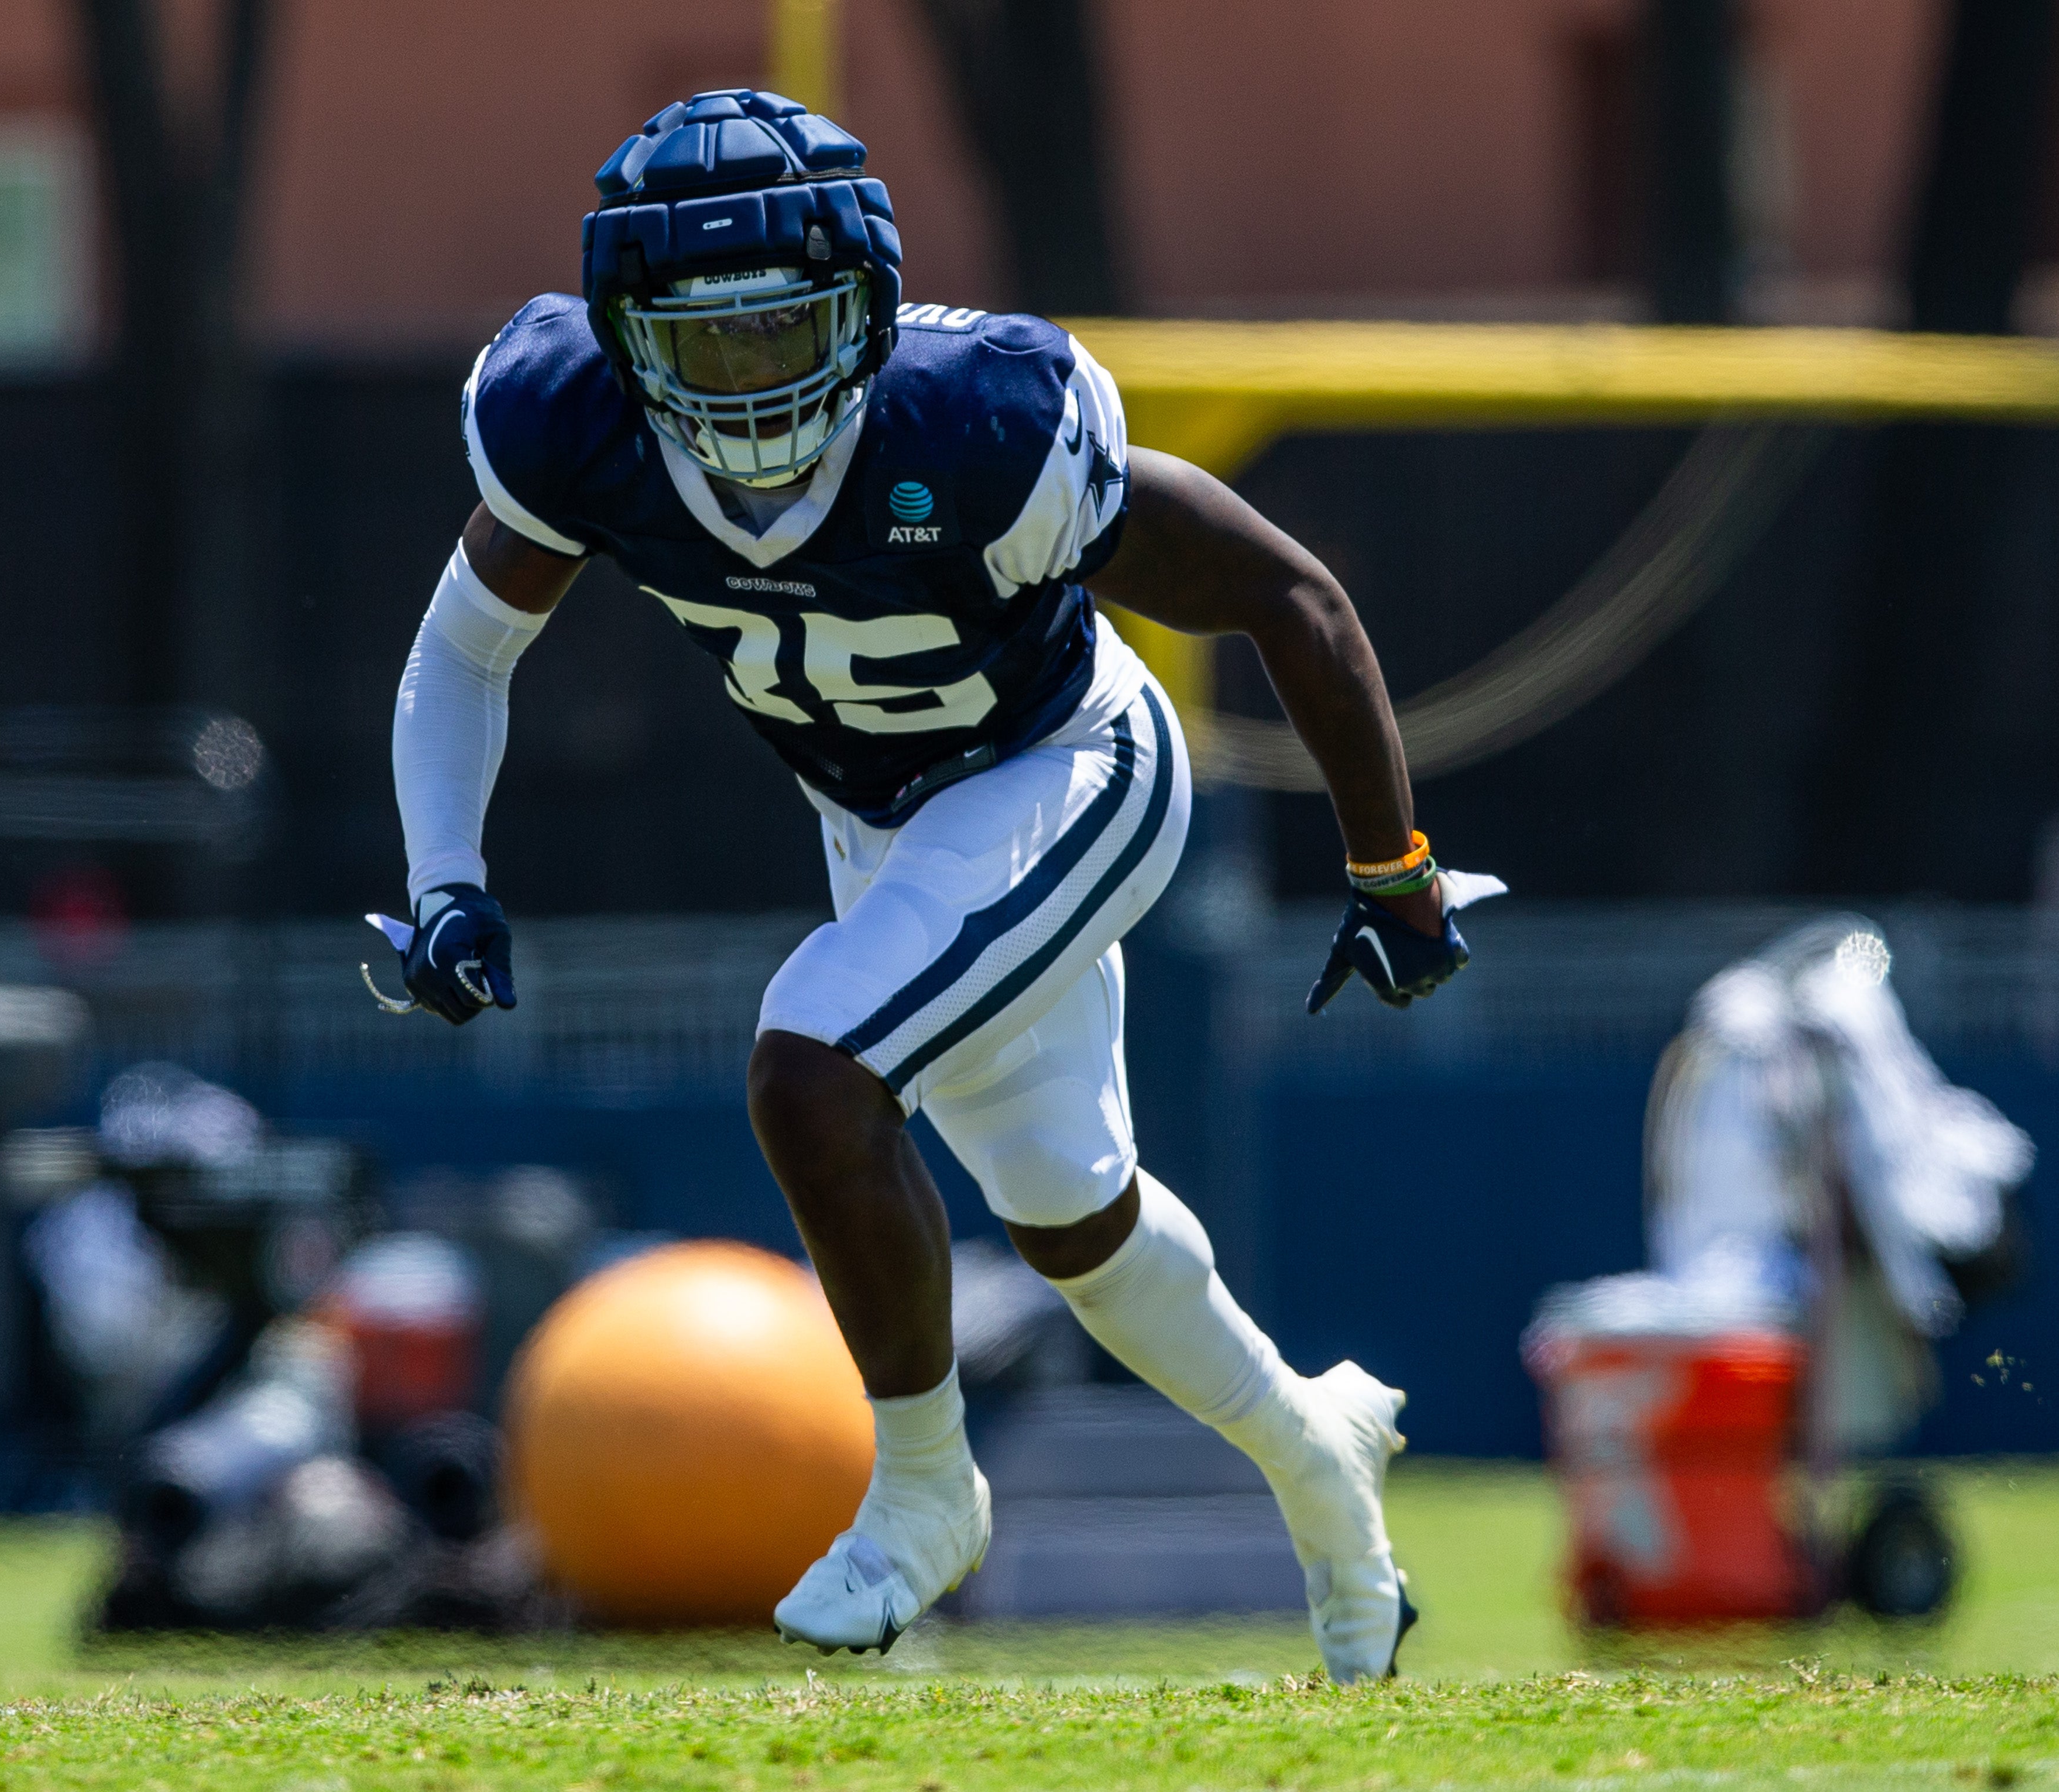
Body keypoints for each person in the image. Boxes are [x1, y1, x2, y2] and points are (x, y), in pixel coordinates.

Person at [370, 91, 1494, 1680]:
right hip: (880, 821)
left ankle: (922, 1486)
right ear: (627, 345)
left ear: (870, 312)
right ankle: (1319, 1459)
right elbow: (463, 648)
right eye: (706, 349)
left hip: (1066, 768)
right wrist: (442, 878)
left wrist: (1394, 865)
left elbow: (1280, 589)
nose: (751, 392)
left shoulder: (980, 421)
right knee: (1073, 1221)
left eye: (785, 336)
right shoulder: (572, 421)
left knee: (810, 1062)